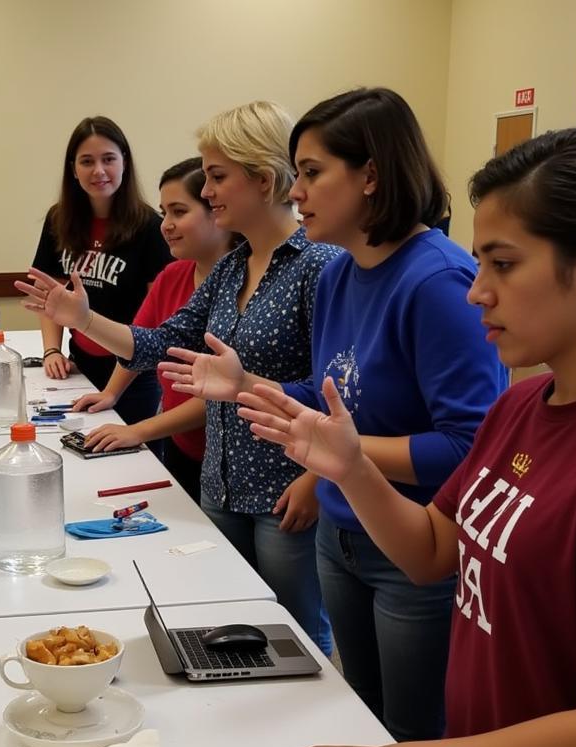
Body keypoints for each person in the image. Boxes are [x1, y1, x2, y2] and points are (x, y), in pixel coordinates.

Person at [233, 128, 576, 747]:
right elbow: (433, 552)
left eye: (503, 265)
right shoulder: (523, 409)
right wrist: (353, 469)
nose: (476, 292)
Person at [159, 89, 506, 738]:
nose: (297, 192)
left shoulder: (436, 282)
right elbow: (333, 402)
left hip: (413, 548)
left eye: (313, 173)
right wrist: (246, 385)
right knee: (360, 716)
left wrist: (346, 457)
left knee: (410, 734)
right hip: (340, 535)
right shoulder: (341, 275)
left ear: (370, 175)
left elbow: (470, 451)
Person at [18, 102, 340, 653]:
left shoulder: (321, 265)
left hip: (285, 490)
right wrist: (83, 319)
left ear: (262, 180)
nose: (209, 192)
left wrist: (318, 478)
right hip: (221, 483)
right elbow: (159, 343)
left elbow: (337, 395)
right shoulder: (235, 266)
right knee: (227, 622)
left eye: (217, 177)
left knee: (296, 639)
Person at [73, 157, 236, 500]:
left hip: (226, 455)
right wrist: (111, 393)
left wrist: (137, 430)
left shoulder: (240, 285)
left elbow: (217, 397)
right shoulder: (174, 275)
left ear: (218, 213)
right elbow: (141, 341)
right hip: (182, 445)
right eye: (164, 213)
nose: (166, 225)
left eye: (179, 212)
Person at [29, 116, 171, 430]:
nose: (99, 171)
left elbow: (153, 321)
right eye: (87, 161)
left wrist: (113, 390)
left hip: (133, 375)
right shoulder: (59, 219)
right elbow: (49, 294)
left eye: (108, 159)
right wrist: (52, 349)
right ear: (73, 169)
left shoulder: (150, 227)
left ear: (125, 163)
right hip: (80, 365)